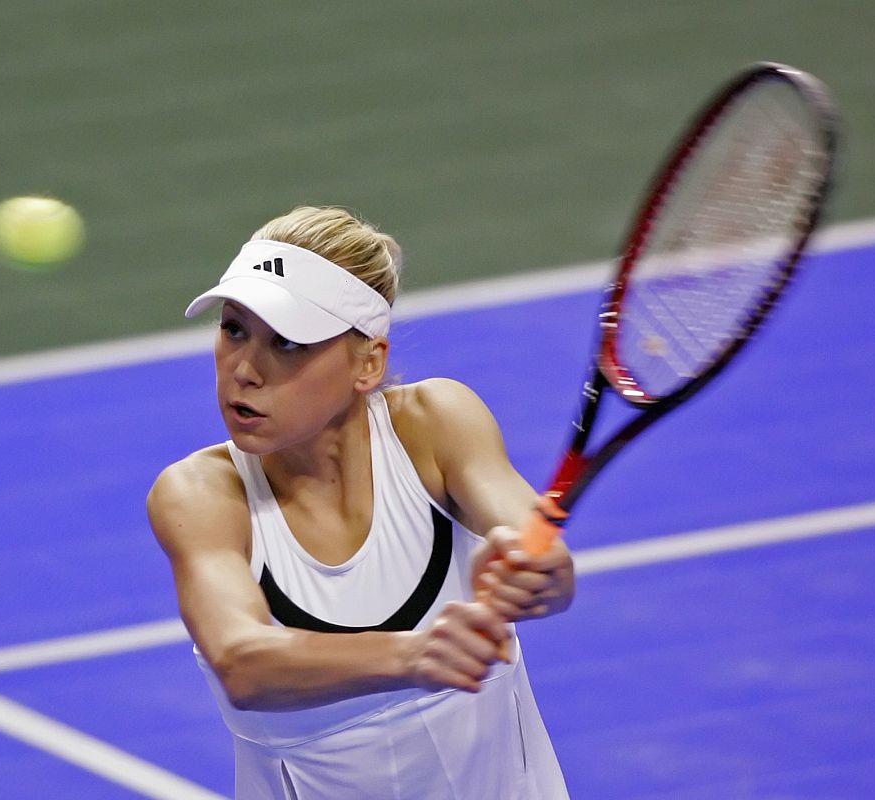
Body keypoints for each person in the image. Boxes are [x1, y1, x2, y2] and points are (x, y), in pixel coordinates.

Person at [146, 206, 575, 799]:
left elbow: (530, 542)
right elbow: (243, 662)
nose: (244, 370)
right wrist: (415, 654)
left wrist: (543, 573)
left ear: (368, 362)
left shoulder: (436, 425)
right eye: (233, 328)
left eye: (288, 342)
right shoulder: (201, 494)